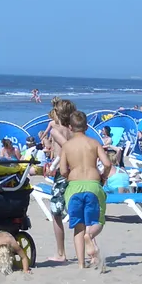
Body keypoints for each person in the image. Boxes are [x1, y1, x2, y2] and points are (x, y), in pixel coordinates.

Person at [59, 111, 111, 270]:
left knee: (78, 226)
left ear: (70, 127)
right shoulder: (94, 143)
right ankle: (91, 236)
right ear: (87, 126)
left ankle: (81, 264)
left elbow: (62, 171)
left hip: (74, 187)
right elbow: (108, 164)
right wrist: (104, 177)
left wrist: (70, 175)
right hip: (93, 184)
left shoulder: (67, 146)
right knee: (97, 221)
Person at [46, 100, 76, 262]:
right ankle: (90, 250)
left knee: (56, 212)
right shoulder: (74, 131)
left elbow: (65, 148)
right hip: (76, 172)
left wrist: (54, 166)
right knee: (77, 211)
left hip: (62, 174)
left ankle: (61, 253)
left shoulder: (57, 130)